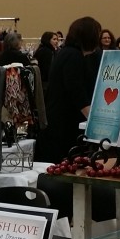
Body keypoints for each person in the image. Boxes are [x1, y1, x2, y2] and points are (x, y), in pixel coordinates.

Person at [39, 16, 102, 163]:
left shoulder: (68, 53)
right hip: (63, 126)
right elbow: (76, 92)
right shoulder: (73, 56)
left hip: (61, 122)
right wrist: (95, 120)